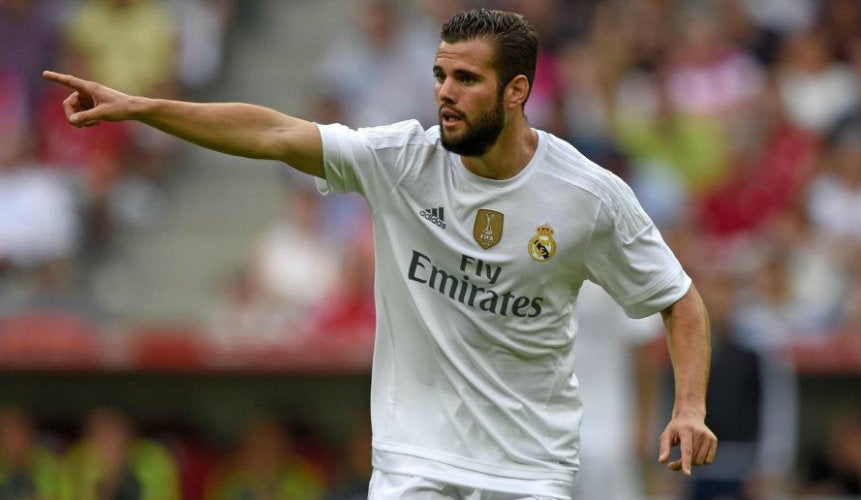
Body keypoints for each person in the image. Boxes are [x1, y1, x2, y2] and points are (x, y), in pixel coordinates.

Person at [44, 8, 716, 498]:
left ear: (518, 92)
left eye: (468, 80)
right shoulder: (401, 159)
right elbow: (274, 133)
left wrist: (687, 407)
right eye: (439, 74)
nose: (445, 93)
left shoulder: (587, 195)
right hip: (412, 464)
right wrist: (141, 107)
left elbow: (679, 300)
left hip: (527, 471)